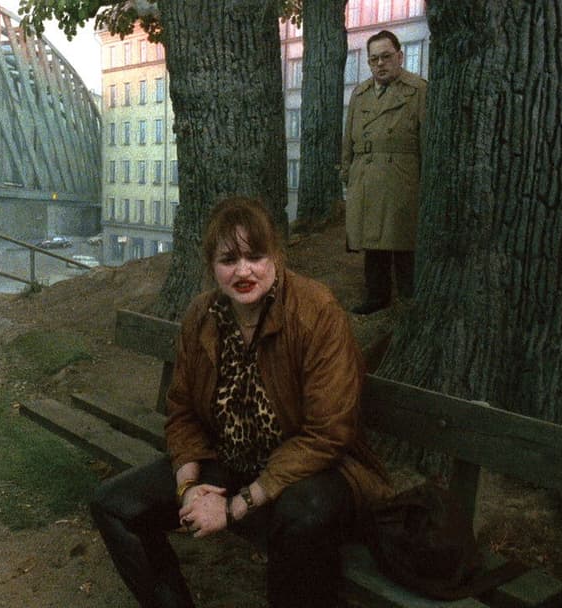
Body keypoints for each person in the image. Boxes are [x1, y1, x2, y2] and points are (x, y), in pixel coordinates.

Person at [89, 196, 390, 608]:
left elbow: (328, 434)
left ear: (276, 256)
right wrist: (189, 489)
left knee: (300, 517)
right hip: (231, 460)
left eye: (255, 256)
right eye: (229, 259)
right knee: (114, 505)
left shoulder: (316, 312)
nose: (243, 271)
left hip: (314, 469)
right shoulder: (202, 316)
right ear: (212, 266)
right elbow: (182, 412)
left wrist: (236, 507)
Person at [341, 30, 427, 315]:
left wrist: (425, 182)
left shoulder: (418, 91)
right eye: (374, 59)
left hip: (402, 176)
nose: (380, 64)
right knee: (372, 239)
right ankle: (377, 296)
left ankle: (410, 299)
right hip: (365, 175)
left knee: (403, 239)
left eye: (386, 57)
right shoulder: (361, 93)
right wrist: (348, 172)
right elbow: (349, 138)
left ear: (400, 57)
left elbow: (427, 141)